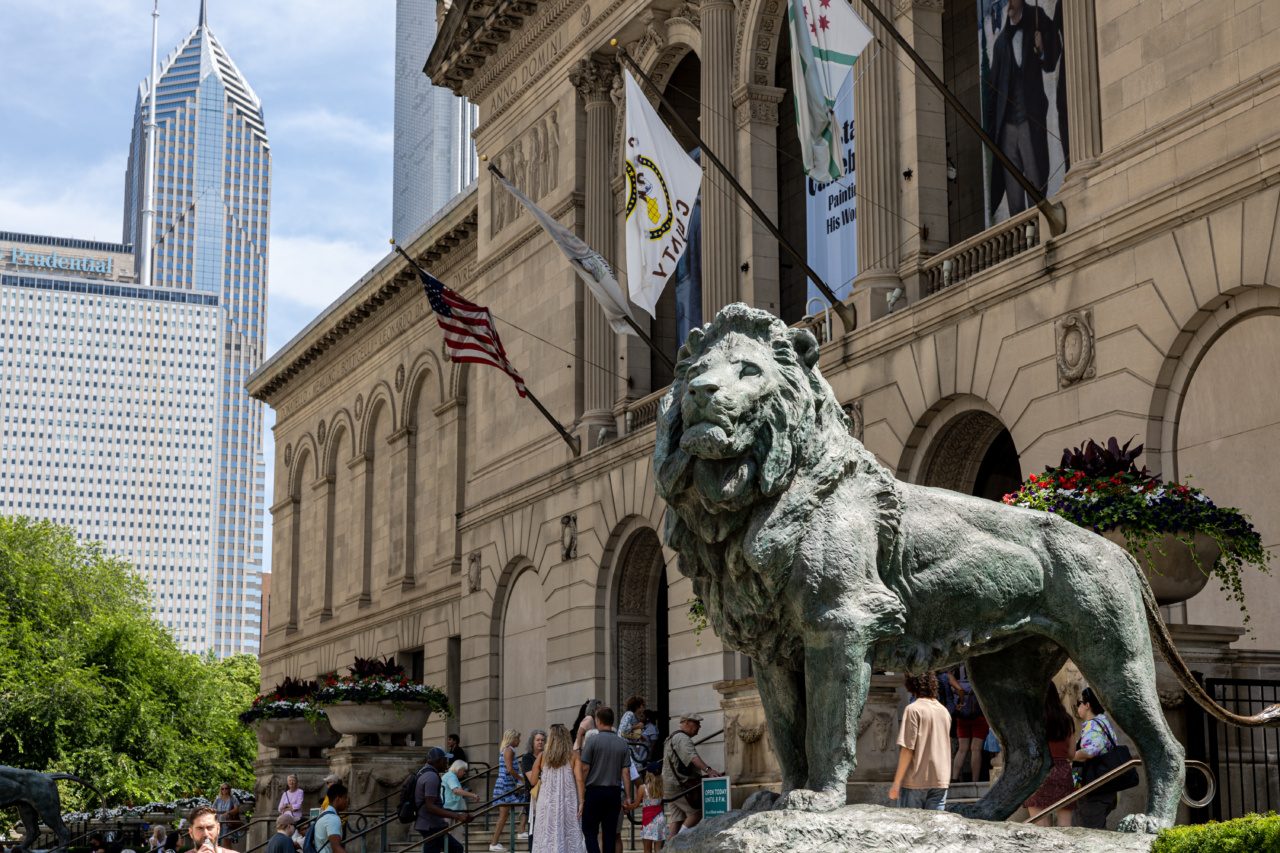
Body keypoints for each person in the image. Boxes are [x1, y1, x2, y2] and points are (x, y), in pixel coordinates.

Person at [983, 0, 1060, 217]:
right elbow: (992, 92)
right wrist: (991, 133)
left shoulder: (1038, 19)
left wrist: (1042, 48)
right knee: (1013, 188)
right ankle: (1023, 237)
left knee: (1035, 180)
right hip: (1007, 128)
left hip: (1030, 119)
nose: (1009, 3)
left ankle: (1040, 227)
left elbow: (1051, 62)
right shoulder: (1000, 44)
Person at [888, 673, 952, 810]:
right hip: (941, 780)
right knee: (935, 829)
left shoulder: (913, 710)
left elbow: (907, 749)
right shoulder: (944, 712)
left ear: (911, 685)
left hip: (915, 781)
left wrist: (896, 783)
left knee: (910, 829)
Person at [576, 706, 633, 853]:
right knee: (610, 834)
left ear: (598, 720)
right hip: (614, 793)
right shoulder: (622, 743)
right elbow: (626, 772)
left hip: (594, 791)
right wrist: (628, 797)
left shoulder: (592, 741)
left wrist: (581, 793)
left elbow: (585, 768)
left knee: (589, 831)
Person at [528, 724, 586, 853]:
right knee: (568, 834)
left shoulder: (542, 756)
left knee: (546, 835)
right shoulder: (574, 755)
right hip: (568, 801)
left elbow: (532, 781)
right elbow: (579, 780)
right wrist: (582, 801)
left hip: (547, 802)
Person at [1025, 683, 1076, 827]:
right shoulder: (1067, 720)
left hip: (1039, 772)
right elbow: (1071, 754)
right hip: (1062, 771)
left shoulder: (1033, 720)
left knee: (1041, 829)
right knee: (1065, 828)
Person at [661, 713, 720, 837]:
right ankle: (678, 841)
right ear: (686, 723)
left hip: (668, 784)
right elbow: (692, 757)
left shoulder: (672, 737)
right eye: (696, 723)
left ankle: (668, 848)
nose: (699, 726)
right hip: (679, 784)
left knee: (677, 819)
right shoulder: (682, 738)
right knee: (697, 813)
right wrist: (708, 770)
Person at [1072, 686, 1120, 829]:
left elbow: (1092, 750)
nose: (1078, 707)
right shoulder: (1103, 722)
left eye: (1079, 703)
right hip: (1103, 788)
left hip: (1094, 790)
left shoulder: (1093, 725)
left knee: (1089, 831)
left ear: (1087, 705)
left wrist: (1071, 756)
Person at [415, 746, 472, 853]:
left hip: (429, 823)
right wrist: (457, 816)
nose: (447, 762)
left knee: (450, 848)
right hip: (430, 824)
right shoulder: (431, 777)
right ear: (439, 760)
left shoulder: (425, 773)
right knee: (456, 848)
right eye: (445, 759)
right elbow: (430, 806)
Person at [945, 666, 988, 783]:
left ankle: (954, 777)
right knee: (976, 749)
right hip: (980, 716)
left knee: (962, 749)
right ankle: (975, 780)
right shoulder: (978, 670)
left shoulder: (954, 670)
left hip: (962, 717)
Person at [489, 729, 524, 852]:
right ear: (512, 739)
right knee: (504, 815)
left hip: (505, 785)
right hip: (506, 786)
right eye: (518, 738)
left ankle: (521, 830)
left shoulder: (507, 750)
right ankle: (494, 843)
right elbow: (509, 769)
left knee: (505, 815)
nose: (519, 741)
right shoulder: (509, 750)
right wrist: (521, 779)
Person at [520, 730, 546, 838]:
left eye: (542, 740)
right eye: (537, 740)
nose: (540, 742)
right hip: (533, 796)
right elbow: (532, 779)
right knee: (534, 829)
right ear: (532, 742)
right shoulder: (527, 758)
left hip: (545, 796)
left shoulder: (548, 757)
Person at [635, 770, 666, 853]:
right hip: (660, 818)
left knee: (647, 849)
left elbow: (636, 804)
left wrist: (627, 807)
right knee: (658, 849)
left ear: (648, 774)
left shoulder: (643, 788)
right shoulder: (661, 787)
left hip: (648, 820)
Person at [312, 783, 348, 853]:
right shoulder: (332, 819)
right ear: (338, 799)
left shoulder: (323, 814)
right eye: (345, 798)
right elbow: (336, 848)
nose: (347, 801)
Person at [212, 785, 243, 850]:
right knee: (219, 841)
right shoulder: (218, 799)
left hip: (228, 822)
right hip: (219, 822)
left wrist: (228, 812)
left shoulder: (232, 798)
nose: (224, 790)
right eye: (222, 789)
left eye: (226, 788)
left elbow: (236, 809)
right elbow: (212, 809)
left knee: (227, 841)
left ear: (229, 789)